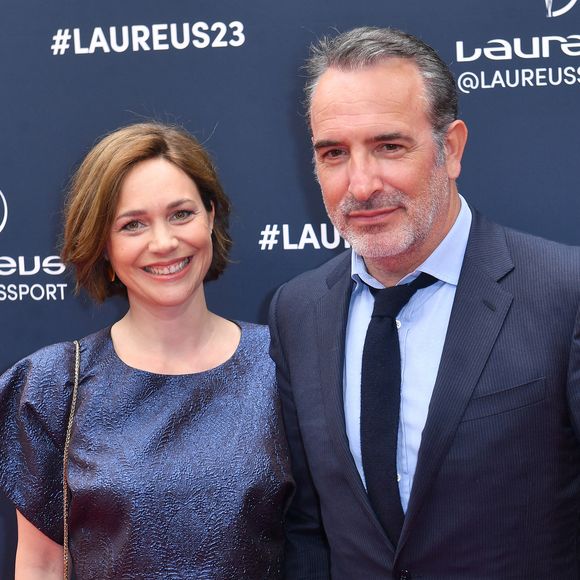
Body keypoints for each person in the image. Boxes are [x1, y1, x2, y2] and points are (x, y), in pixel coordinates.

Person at [268, 26, 580, 579]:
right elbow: (309, 529)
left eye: (389, 146)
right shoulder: (298, 311)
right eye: (334, 153)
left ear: (451, 148)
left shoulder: (564, 291)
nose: (360, 185)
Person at [0, 122, 293, 579]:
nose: (163, 242)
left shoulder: (283, 364)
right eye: (133, 224)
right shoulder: (54, 385)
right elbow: (39, 566)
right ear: (104, 246)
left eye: (181, 214)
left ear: (211, 217)